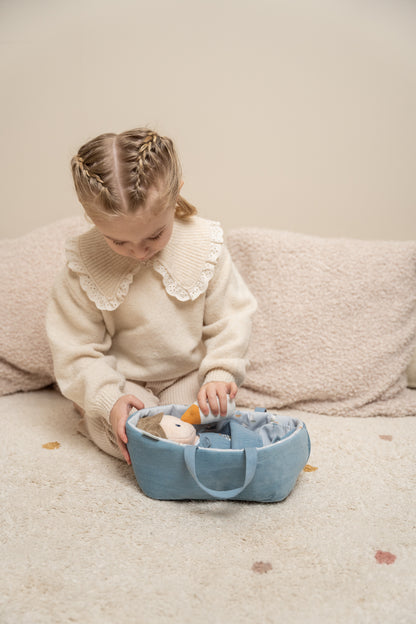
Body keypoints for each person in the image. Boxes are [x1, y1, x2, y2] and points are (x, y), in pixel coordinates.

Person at [46, 127, 257, 464]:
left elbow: (232, 317)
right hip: (123, 381)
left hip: (188, 376)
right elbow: (75, 350)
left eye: (155, 235)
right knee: (131, 430)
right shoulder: (82, 263)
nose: (139, 252)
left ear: (175, 196)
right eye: (118, 241)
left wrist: (220, 374)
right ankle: (114, 420)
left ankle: (183, 433)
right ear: (91, 217)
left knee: (206, 418)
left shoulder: (206, 244)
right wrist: (109, 400)